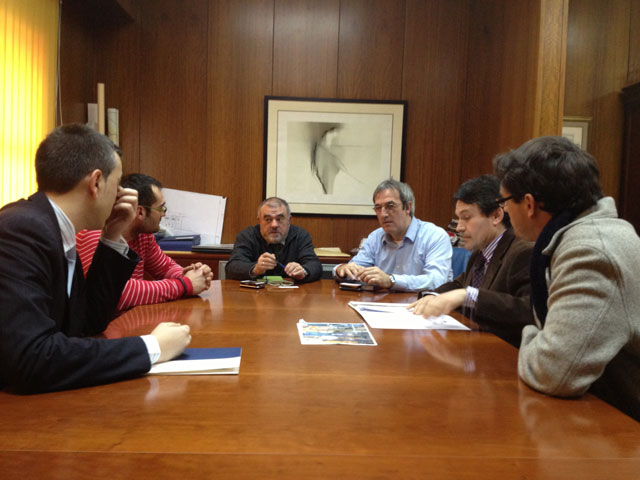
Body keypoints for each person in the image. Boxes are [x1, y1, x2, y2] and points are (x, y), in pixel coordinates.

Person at [0, 124, 191, 393]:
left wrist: (112, 235)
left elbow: (86, 323)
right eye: (118, 184)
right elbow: (30, 358)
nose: (122, 195)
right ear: (97, 182)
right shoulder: (22, 229)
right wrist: (151, 347)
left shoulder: (55, 230)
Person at [493, 135, 640, 421]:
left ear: (529, 204)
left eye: (505, 201)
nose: (505, 211)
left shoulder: (589, 251)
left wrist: (533, 336)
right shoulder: (592, 232)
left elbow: (552, 373)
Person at [409, 175, 534, 346]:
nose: (459, 227)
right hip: (473, 345)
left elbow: (528, 310)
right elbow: (461, 284)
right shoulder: (479, 251)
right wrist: (433, 296)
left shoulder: (523, 251)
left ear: (496, 215)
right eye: (458, 218)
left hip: (502, 352)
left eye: (466, 217)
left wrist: (468, 296)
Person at [76, 173, 213, 315]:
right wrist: (184, 284)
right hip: (97, 325)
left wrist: (188, 275)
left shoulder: (143, 236)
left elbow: (165, 268)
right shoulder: (96, 234)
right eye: (161, 208)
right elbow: (118, 291)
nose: (164, 214)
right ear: (140, 212)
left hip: (127, 320)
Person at [334, 179, 452, 291]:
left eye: (390, 206)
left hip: (422, 303)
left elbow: (437, 281)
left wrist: (391, 280)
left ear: (408, 207)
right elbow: (354, 271)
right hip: (381, 302)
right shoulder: (375, 238)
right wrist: (342, 269)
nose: (383, 214)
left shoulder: (435, 236)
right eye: (378, 208)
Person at [225, 197, 322, 282]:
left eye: (279, 219)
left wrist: (303, 271)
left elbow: (315, 265)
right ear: (259, 221)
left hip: (292, 295)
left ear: (289, 220)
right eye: (268, 219)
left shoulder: (300, 236)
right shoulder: (247, 236)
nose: (274, 225)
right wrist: (255, 269)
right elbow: (232, 267)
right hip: (256, 294)